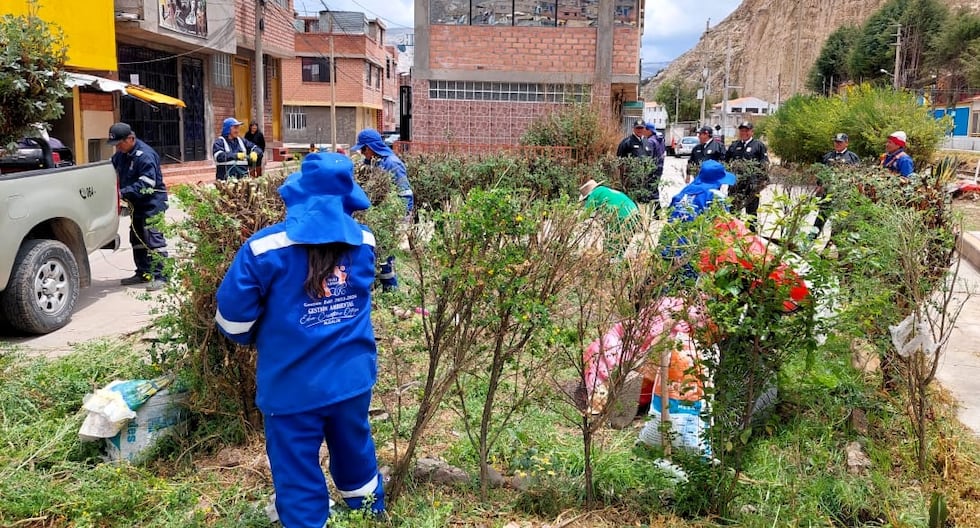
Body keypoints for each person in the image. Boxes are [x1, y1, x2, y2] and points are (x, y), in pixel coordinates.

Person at [214, 153, 385, 527]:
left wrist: (273, 337)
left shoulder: (264, 249)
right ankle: (371, 514)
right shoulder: (365, 242)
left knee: (296, 471)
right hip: (353, 380)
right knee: (356, 453)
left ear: (300, 194)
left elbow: (232, 320)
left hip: (291, 388)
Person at [108, 122, 169, 291]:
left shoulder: (145, 155)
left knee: (153, 238)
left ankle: (162, 276)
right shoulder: (121, 154)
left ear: (131, 139)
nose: (117, 148)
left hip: (152, 202)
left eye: (120, 143)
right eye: (115, 145)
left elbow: (147, 184)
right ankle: (143, 272)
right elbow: (110, 168)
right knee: (137, 238)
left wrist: (122, 193)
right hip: (137, 204)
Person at [351, 128, 414, 292]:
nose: (362, 153)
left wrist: (399, 219)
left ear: (371, 147)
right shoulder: (374, 163)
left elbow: (405, 194)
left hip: (390, 217)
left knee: (385, 253)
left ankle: (391, 290)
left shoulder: (392, 164)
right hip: (377, 216)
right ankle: (379, 287)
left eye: (363, 149)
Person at [813, 133, 860, 237]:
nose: (837, 144)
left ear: (846, 143)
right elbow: (821, 173)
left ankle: (833, 244)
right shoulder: (827, 156)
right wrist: (819, 186)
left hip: (843, 194)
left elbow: (857, 176)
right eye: (836, 142)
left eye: (840, 142)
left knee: (839, 220)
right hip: (828, 192)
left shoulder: (852, 157)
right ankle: (808, 241)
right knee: (821, 216)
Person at [725, 121, 769, 230]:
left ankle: (751, 238)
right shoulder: (734, 145)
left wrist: (760, 182)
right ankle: (735, 236)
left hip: (752, 186)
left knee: (751, 214)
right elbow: (726, 162)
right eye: (742, 130)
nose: (744, 133)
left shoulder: (758, 145)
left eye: (746, 130)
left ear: (751, 132)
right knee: (734, 212)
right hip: (736, 185)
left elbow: (764, 164)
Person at [579, 179, 640, 255]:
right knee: (621, 245)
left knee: (611, 248)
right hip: (634, 213)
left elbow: (586, 214)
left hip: (619, 216)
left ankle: (611, 261)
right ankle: (618, 261)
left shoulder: (594, 193)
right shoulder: (606, 191)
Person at [616, 120, 658, 207]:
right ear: (634, 129)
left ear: (644, 129)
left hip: (645, 179)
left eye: (641, 128)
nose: (639, 130)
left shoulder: (647, 142)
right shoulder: (626, 143)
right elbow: (619, 161)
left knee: (644, 200)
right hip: (632, 180)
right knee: (632, 200)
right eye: (637, 128)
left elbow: (651, 159)